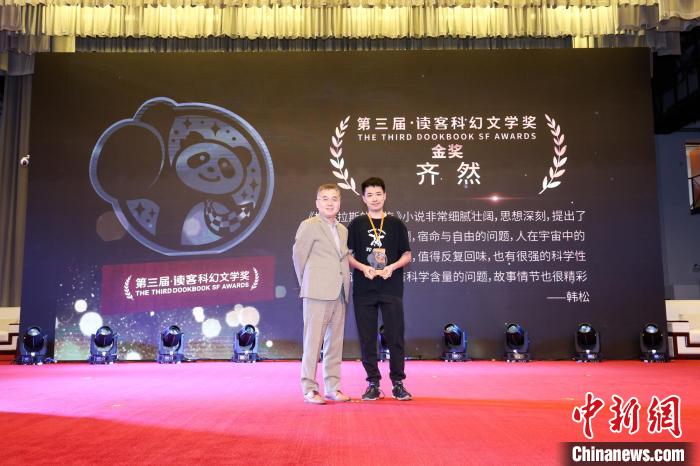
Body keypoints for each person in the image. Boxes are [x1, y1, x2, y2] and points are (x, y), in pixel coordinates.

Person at [347, 177, 413, 401]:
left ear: (385, 196)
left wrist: (392, 267)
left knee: (395, 336)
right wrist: (362, 267)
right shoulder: (356, 224)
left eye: (378, 194)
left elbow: (407, 255)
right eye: (370, 195)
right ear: (363, 198)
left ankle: (398, 383)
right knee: (367, 338)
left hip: (390, 287)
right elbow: (348, 255)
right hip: (364, 288)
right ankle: (373, 383)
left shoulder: (396, 224)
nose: (374, 199)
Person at [292, 183, 352, 404]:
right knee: (313, 343)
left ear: (339, 203)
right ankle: (309, 388)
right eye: (325, 198)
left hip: (340, 292)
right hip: (316, 292)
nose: (330, 203)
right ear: (317, 203)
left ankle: (332, 387)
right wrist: (308, 284)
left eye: (334, 198)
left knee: (335, 343)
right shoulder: (309, 225)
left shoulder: (343, 230)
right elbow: (298, 257)